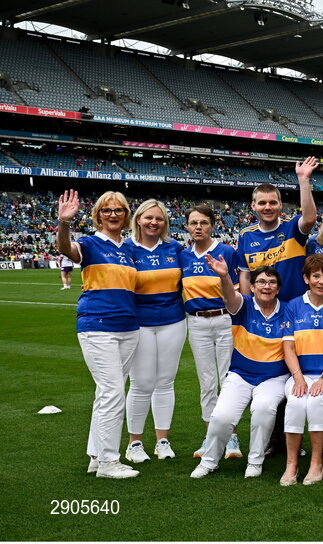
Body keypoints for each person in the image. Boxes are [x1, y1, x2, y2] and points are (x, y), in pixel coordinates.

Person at [57, 189, 140, 479]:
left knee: (106, 393)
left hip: (129, 327)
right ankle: (108, 462)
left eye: (119, 210)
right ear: (98, 215)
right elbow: (67, 250)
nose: (113, 214)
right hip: (98, 324)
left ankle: (95, 455)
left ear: (126, 215)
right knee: (112, 392)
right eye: (107, 210)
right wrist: (64, 223)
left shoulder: (130, 249)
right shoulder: (91, 243)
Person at [190, 262, 289, 479]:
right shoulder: (243, 305)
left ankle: (255, 461)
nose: (267, 286)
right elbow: (228, 298)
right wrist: (225, 276)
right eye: (261, 282)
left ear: (278, 288)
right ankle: (209, 462)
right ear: (252, 287)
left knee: (264, 409)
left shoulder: (288, 310)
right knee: (221, 416)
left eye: (272, 282)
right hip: (241, 374)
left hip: (274, 378)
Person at [279, 254, 323, 486]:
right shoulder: (292, 306)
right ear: (306, 278)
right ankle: (291, 464)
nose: (321, 281)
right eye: (316, 276)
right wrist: (298, 378)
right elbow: (288, 347)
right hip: (300, 374)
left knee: (316, 401)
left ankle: (316, 463)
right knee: (296, 401)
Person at [123, 199, 186, 463]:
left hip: (173, 321)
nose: (153, 223)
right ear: (138, 219)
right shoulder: (126, 248)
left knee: (165, 382)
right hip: (140, 324)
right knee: (141, 383)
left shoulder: (174, 247)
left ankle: (162, 440)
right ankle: (134, 443)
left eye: (159, 219)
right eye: (148, 218)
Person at [180, 204, 244, 459]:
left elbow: (237, 291)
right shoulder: (183, 255)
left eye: (203, 223)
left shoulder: (226, 252)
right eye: (193, 223)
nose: (198, 227)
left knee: (228, 380)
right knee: (207, 383)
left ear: (213, 226)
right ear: (186, 226)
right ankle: (210, 439)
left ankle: (233, 439)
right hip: (196, 322)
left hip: (224, 320)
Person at [235, 157, 317, 302]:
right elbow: (245, 275)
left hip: (295, 308)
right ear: (253, 206)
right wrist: (247, 307)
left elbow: (310, 218)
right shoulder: (245, 235)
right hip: (263, 310)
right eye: (262, 203)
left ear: (280, 205)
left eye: (272, 202)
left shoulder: (292, 226)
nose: (268, 207)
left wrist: (303, 180)